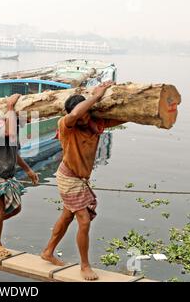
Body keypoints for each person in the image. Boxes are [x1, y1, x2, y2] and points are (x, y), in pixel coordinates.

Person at [40, 81, 124, 281]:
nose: (84, 118)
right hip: (69, 178)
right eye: (82, 115)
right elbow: (76, 115)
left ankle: (48, 252)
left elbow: (122, 118)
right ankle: (85, 266)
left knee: (67, 217)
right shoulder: (66, 125)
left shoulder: (95, 124)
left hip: (79, 179)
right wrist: (97, 95)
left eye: (88, 114)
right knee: (84, 221)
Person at [0, 94, 39, 258]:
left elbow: (15, 153)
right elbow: (9, 133)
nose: (29, 120)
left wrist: (28, 170)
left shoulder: (14, 129)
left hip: (7, 175)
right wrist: (11, 107)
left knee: (16, 208)